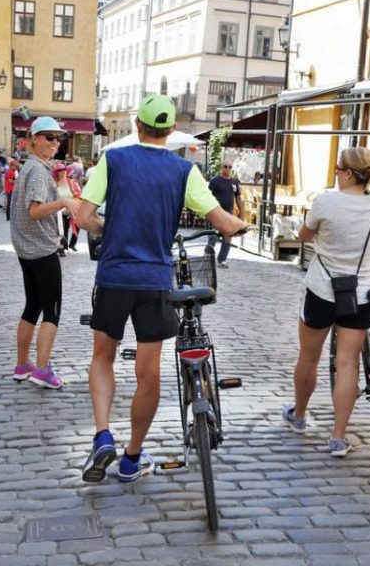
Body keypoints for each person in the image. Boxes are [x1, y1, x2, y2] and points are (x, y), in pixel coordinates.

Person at [75, 94, 248, 483]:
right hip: (155, 279)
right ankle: (132, 457)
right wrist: (239, 226)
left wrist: (108, 228)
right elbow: (221, 221)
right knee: (147, 373)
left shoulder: (114, 161)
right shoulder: (183, 171)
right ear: (170, 130)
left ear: (138, 125)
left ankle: (103, 434)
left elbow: (84, 216)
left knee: (103, 356)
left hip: (115, 276)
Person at [282, 147, 370, 458]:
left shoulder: (326, 200)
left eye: (337, 167)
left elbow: (304, 235)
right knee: (347, 364)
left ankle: (299, 415)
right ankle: (338, 437)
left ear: (346, 172)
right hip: (361, 294)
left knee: (309, 357)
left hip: (321, 290)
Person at [9, 117, 80, 390]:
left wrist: (61, 184)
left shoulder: (37, 167)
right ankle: (41, 369)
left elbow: (56, 202)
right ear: (35, 138)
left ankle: (23, 364)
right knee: (52, 311)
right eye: (49, 137)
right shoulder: (38, 170)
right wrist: (63, 200)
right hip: (41, 248)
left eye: (58, 138)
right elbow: (35, 210)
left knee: (33, 306)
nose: (55, 142)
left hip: (26, 247)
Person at [208, 161, 245, 268]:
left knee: (228, 236)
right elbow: (207, 195)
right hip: (216, 212)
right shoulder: (215, 181)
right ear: (221, 167)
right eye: (225, 166)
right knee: (213, 236)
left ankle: (222, 259)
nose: (228, 169)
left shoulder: (234, 182)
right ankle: (207, 254)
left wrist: (242, 215)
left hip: (229, 213)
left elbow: (238, 198)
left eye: (230, 167)